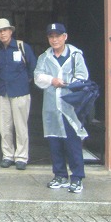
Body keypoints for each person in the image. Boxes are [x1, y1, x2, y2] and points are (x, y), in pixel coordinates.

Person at [34, 22, 89, 193]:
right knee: (54, 141)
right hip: (51, 107)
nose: (54, 40)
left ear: (65, 37)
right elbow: (37, 76)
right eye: (51, 36)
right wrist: (52, 80)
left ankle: (77, 177)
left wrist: (66, 84)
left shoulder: (75, 55)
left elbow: (82, 77)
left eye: (57, 36)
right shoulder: (44, 57)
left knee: (73, 143)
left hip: (70, 108)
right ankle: (60, 175)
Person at [0, 18, 37, 170]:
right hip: (3, 91)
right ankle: (7, 155)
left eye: (5, 30)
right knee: (4, 126)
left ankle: (21, 157)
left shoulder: (22, 47)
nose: (2, 33)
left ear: (10, 31)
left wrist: (23, 81)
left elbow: (33, 67)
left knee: (21, 125)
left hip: (20, 91)